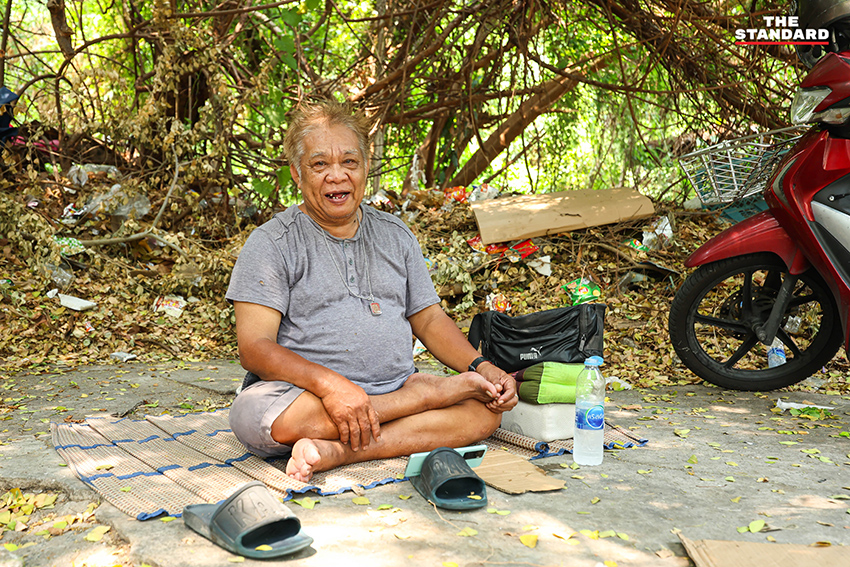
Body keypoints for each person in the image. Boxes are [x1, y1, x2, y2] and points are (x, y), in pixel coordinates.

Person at [226, 99, 517, 482]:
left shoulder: (395, 235)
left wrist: (484, 367)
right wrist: (331, 387)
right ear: (297, 173)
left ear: (365, 169)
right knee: (251, 414)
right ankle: (424, 399)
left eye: (349, 162)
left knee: (485, 411)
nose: (337, 176)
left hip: (395, 384)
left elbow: (429, 319)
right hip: (308, 399)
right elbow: (254, 348)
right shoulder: (272, 243)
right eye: (319, 164)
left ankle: (334, 452)